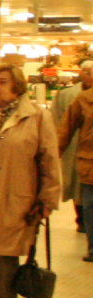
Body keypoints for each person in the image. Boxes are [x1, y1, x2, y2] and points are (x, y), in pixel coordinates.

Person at [0, 63, 60, 298]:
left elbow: (50, 160)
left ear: (17, 86)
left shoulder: (37, 117)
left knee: (4, 259)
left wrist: (47, 200)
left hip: (14, 197)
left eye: (2, 81)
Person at [55, 74, 93, 263]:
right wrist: (52, 157)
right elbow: (65, 129)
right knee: (90, 207)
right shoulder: (85, 99)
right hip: (90, 166)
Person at [51, 60, 92, 232]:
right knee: (88, 203)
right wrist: (51, 156)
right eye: (88, 72)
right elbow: (64, 128)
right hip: (87, 160)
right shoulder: (80, 98)